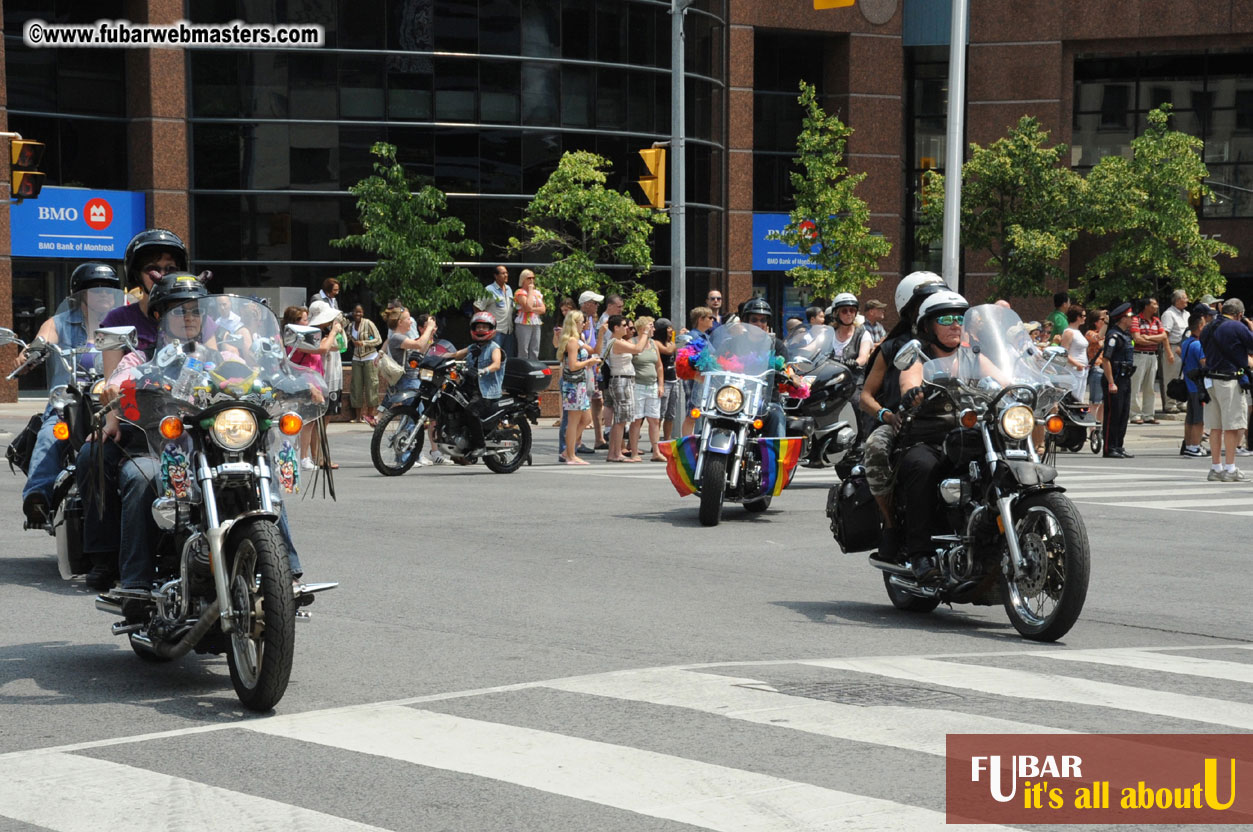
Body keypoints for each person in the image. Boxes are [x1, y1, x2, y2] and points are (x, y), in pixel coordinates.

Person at [95, 276, 308, 617]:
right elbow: (119, 380)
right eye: (179, 311)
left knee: (262, 476)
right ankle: (135, 582)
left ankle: (288, 575)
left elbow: (256, 376)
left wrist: (293, 384)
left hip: (217, 446)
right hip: (162, 450)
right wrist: (112, 391)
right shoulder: (143, 359)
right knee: (141, 479)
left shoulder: (223, 353)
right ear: (159, 317)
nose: (190, 317)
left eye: (195, 310)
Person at [12, 262, 123, 529]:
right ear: (81, 295)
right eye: (97, 290)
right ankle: (38, 497)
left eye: (110, 290)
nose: (106, 295)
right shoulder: (60, 322)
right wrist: (31, 353)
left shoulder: (121, 324)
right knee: (51, 433)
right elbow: (42, 340)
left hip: (112, 401)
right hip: (71, 402)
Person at [858, 270, 947, 562]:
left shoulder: (950, 342)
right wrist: (887, 415)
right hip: (902, 421)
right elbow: (866, 396)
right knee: (875, 448)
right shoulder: (892, 347)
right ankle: (891, 526)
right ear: (911, 309)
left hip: (949, 419)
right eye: (926, 302)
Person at [887, 290, 969, 580]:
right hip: (928, 439)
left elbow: (1005, 378)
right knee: (923, 467)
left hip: (969, 437)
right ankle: (920, 553)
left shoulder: (973, 356)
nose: (955, 324)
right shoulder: (919, 355)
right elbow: (909, 376)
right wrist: (913, 392)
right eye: (946, 319)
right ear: (928, 326)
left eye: (960, 318)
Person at [1200, 298, 1253, 482]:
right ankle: (1230, 468)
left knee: (1215, 426)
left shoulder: (1208, 327)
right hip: (1229, 380)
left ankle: (1216, 467)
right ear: (1239, 314)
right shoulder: (1237, 327)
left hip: (1210, 380)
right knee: (1232, 426)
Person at [601, 314, 651, 462]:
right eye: (624, 325)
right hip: (621, 381)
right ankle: (615, 453)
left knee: (621, 419)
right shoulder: (616, 342)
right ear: (615, 328)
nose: (627, 328)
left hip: (624, 380)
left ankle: (614, 452)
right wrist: (645, 333)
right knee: (621, 419)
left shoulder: (619, 341)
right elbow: (638, 349)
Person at [558, 311, 601, 465]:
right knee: (573, 420)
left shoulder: (578, 341)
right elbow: (573, 365)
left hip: (579, 383)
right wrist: (588, 363)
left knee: (586, 418)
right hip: (573, 384)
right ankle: (570, 454)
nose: (584, 324)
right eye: (582, 321)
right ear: (575, 323)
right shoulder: (572, 342)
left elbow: (594, 349)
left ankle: (568, 450)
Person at [740, 298, 787, 438]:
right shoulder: (734, 342)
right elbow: (717, 359)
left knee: (777, 415)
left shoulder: (776, 345)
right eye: (754, 319)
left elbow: (787, 368)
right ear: (746, 321)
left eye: (763, 320)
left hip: (767, 400)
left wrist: (787, 374)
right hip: (736, 398)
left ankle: (777, 458)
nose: (759, 324)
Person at [627, 316, 665, 461]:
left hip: (652, 385)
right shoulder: (633, 343)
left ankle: (656, 451)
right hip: (637, 385)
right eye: (651, 326)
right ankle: (634, 452)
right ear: (643, 328)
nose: (654, 329)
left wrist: (661, 384)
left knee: (654, 419)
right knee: (637, 420)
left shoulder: (654, 344)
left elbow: (659, 365)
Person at [1101, 302, 1137, 459]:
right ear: (1123, 319)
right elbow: (1106, 360)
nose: (1132, 319)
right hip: (1114, 378)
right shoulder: (1113, 336)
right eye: (1130, 317)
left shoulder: (1126, 336)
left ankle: (1119, 445)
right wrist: (1110, 382)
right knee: (1112, 415)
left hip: (1125, 378)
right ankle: (1109, 447)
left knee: (1123, 413)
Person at [1179, 305, 1213, 458]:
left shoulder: (1186, 342)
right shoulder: (1198, 344)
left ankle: (1188, 444)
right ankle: (1194, 446)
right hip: (1198, 387)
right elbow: (1204, 363)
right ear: (1200, 326)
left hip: (1189, 384)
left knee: (1190, 418)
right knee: (1199, 420)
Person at [1129, 297, 1169, 424]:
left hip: (1153, 355)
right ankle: (1134, 414)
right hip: (1139, 355)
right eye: (1154, 304)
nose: (1156, 306)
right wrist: (1154, 339)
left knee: (1150, 386)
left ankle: (1148, 414)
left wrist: (1147, 337)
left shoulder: (1156, 320)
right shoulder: (1136, 320)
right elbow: (1137, 338)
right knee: (1135, 385)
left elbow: (1164, 336)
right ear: (1146, 306)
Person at [578, 290, 607, 451]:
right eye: (594, 303)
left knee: (596, 401)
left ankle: (598, 438)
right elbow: (590, 347)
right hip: (585, 366)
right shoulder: (580, 320)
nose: (597, 306)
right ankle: (577, 441)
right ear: (586, 304)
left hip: (592, 366)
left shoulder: (591, 319)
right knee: (583, 404)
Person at [680, 306, 715, 436]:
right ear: (701, 319)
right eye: (710, 317)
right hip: (695, 378)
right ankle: (687, 446)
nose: (713, 320)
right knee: (692, 413)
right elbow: (686, 359)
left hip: (706, 378)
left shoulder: (706, 336)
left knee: (701, 412)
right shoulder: (691, 337)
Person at [347, 303, 382, 425]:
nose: (358, 314)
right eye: (356, 312)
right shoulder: (350, 326)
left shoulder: (368, 324)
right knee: (356, 386)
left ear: (363, 313)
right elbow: (345, 338)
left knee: (371, 385)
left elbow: (378, 339)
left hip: (370, 357)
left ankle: (370, 415)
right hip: (357, 358)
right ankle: (358, 417)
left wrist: (364, 343)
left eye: (360, 312)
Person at [474, 265, 515, 358]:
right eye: (503, 273)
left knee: (507, 359)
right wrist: (484, 326)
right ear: (496, 276)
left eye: (507, 273)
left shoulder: (509, 289)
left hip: (508, 331)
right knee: (493, 358)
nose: (506, 275)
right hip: (496, 331)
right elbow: (477, 306)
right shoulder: (489, 290)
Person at [1161, 289, 1190, 415]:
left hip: (1184, 347)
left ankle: (1181, 401)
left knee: (1183, 376)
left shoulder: (1187, 314)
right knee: (1171, 376)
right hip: (1173, 346)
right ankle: (1170, 403)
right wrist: (1168, 353)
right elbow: (1165, 335)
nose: (1187, 300)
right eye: (1185, 298)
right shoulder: (1169, 314)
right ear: (1178, 300)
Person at [1081, 308, 1108, 430]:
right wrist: (1106, 324)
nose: (1105, 321)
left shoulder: (1108, 334)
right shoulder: (1089, 333)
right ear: (1095, 322)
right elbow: (1098, 338)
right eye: (1102, 319)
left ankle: (1100, 427)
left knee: (1103, 403)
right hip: (1097, 369)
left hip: (1106, 369)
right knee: (1095, 402)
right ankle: (1092, 428)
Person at [653, 317, 679, 440]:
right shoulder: (656, 343)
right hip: (664, 382)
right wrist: (674, 342)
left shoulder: (671, 343)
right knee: (660, 413)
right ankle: (656, 440)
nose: (671, 330)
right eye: (668, 328)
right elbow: (668, 351)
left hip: (674, 380)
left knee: (671, 414)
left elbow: (674, 356)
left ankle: (667, 439)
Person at [513, 269, 546, 360]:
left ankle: (533, 368)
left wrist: (531, 309)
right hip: (523, 323)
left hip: (535, 322)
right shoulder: (520, 292)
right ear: (523, 279)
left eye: (533, 278)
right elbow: (527, 307)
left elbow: (543, 309)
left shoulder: (537, 293)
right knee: (523, 350)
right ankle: (523, 371)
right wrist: (530, 291)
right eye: (529, 278)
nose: (532, 280)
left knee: (535, 349)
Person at [1058, 307, 1089, 400]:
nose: (1085, 318)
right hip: (1073, 369)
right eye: (1083, 316)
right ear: (1077, 317)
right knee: (1073, 398)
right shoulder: (1069, 332)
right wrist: (1077, 365)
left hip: (1082, 369)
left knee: (1080, 398)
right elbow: (1064, 353)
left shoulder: (1078, 332)